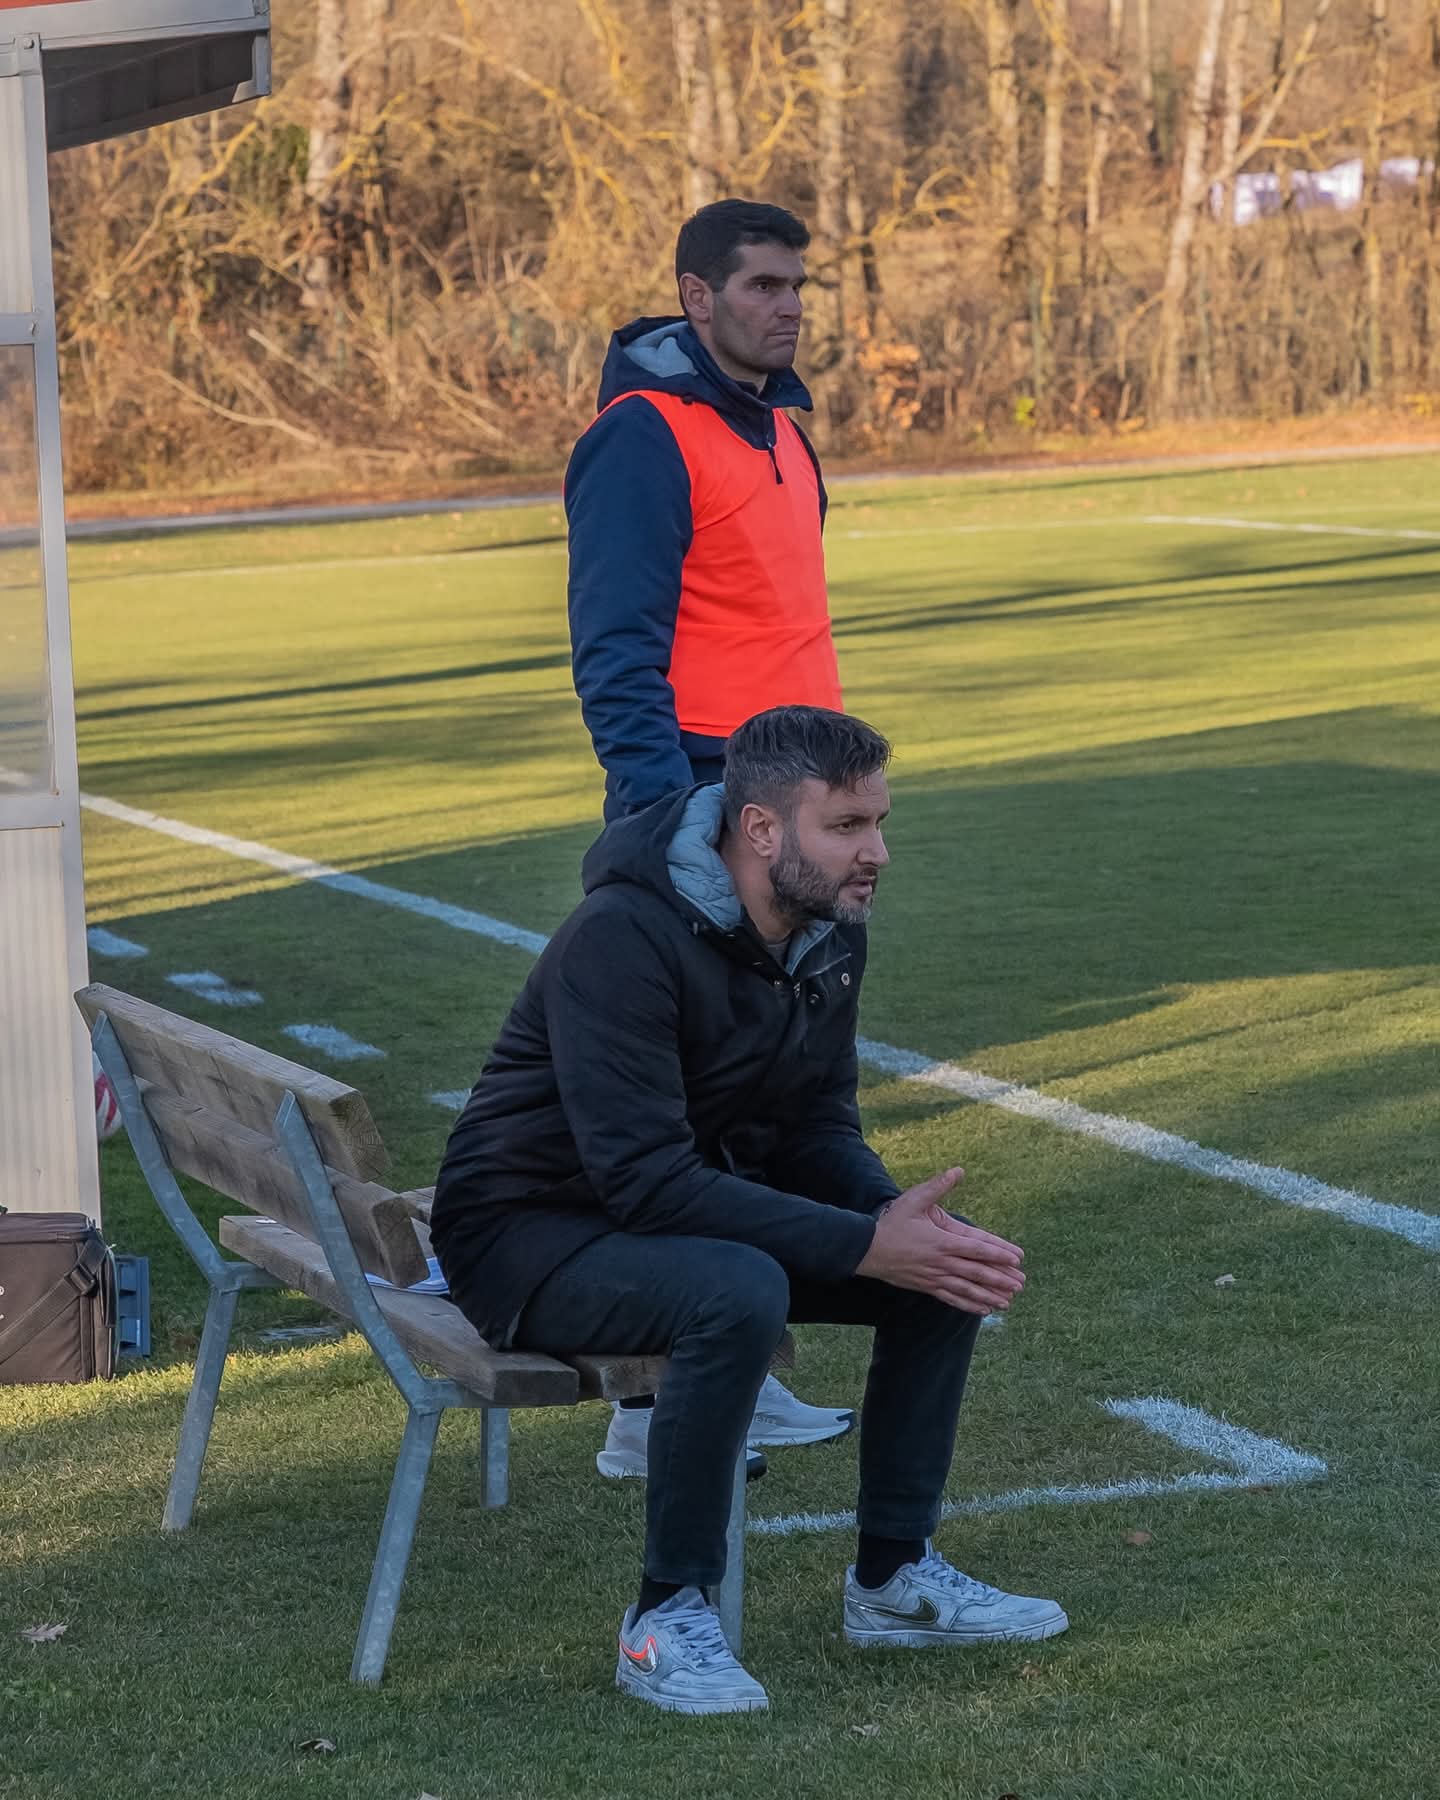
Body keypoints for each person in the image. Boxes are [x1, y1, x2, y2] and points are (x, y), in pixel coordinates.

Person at [431, 707, 1068, 1716]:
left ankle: (893, 1581)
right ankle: (664, 1620)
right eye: (847, 826)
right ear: (762, 829)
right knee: (736, 1290)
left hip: (664, 1207)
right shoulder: (621, 936)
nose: (877, 853)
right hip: (526, 1235)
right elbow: (643, 1179)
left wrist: (893, 1222)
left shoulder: (828, 933)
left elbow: (815, 1124)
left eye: (879, 822)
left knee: (937, 1274)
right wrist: (865, 1245)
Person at [565, 196, 854, 1466]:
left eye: (797, 286)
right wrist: (662, 817)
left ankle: (735, 1368)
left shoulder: (784, 425)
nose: (786, 307)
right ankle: (650, 1409)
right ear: (696, 296)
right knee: (679, 1105)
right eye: (760, 286)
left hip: (804, 802)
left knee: (763, 1097)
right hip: (703, 797)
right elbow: (614, 646)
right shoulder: (643, 435)